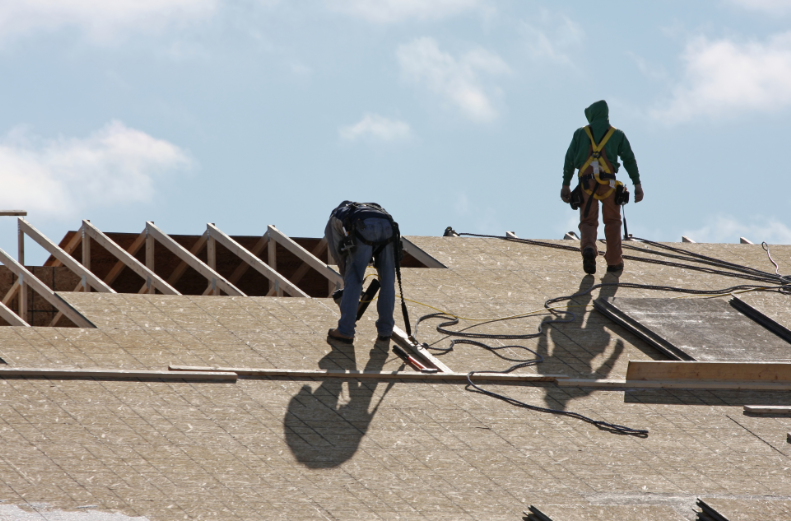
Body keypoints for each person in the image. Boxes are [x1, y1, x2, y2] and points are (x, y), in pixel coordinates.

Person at [561, 100, 644, 275]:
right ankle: (614, 261)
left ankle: (589, 248)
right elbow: (629, 159)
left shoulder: (580, 133)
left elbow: (569, 159)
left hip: (586, 183)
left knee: (588, 221)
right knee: (613, 222)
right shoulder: (617, 135)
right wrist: (637, 184)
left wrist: (566, 184)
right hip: (609, 184)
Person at [324, 201, 397, 344]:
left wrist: (351, 288)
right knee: (388, 280)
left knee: (353, 279)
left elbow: (341, 259)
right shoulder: (370, 208)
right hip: (388, 225)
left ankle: (345, 331)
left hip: (363, 226)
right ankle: (385, 331)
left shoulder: (333, 220)